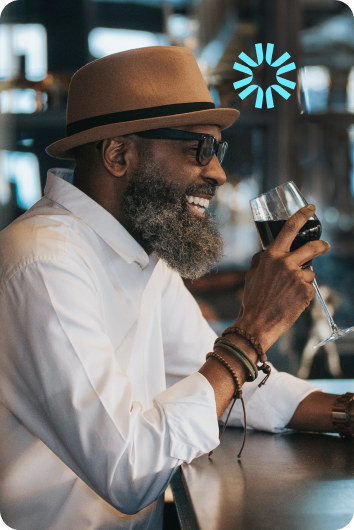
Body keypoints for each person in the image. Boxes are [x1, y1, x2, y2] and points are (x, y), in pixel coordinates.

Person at [0, 46, 352, 530]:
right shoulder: (42, 262)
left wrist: (342, 411)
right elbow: (129, 471)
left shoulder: (141, 254)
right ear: (119, 154)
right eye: (199, 149)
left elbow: (222, 383)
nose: (219, 173)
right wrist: (251, 330)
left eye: (218, 150)